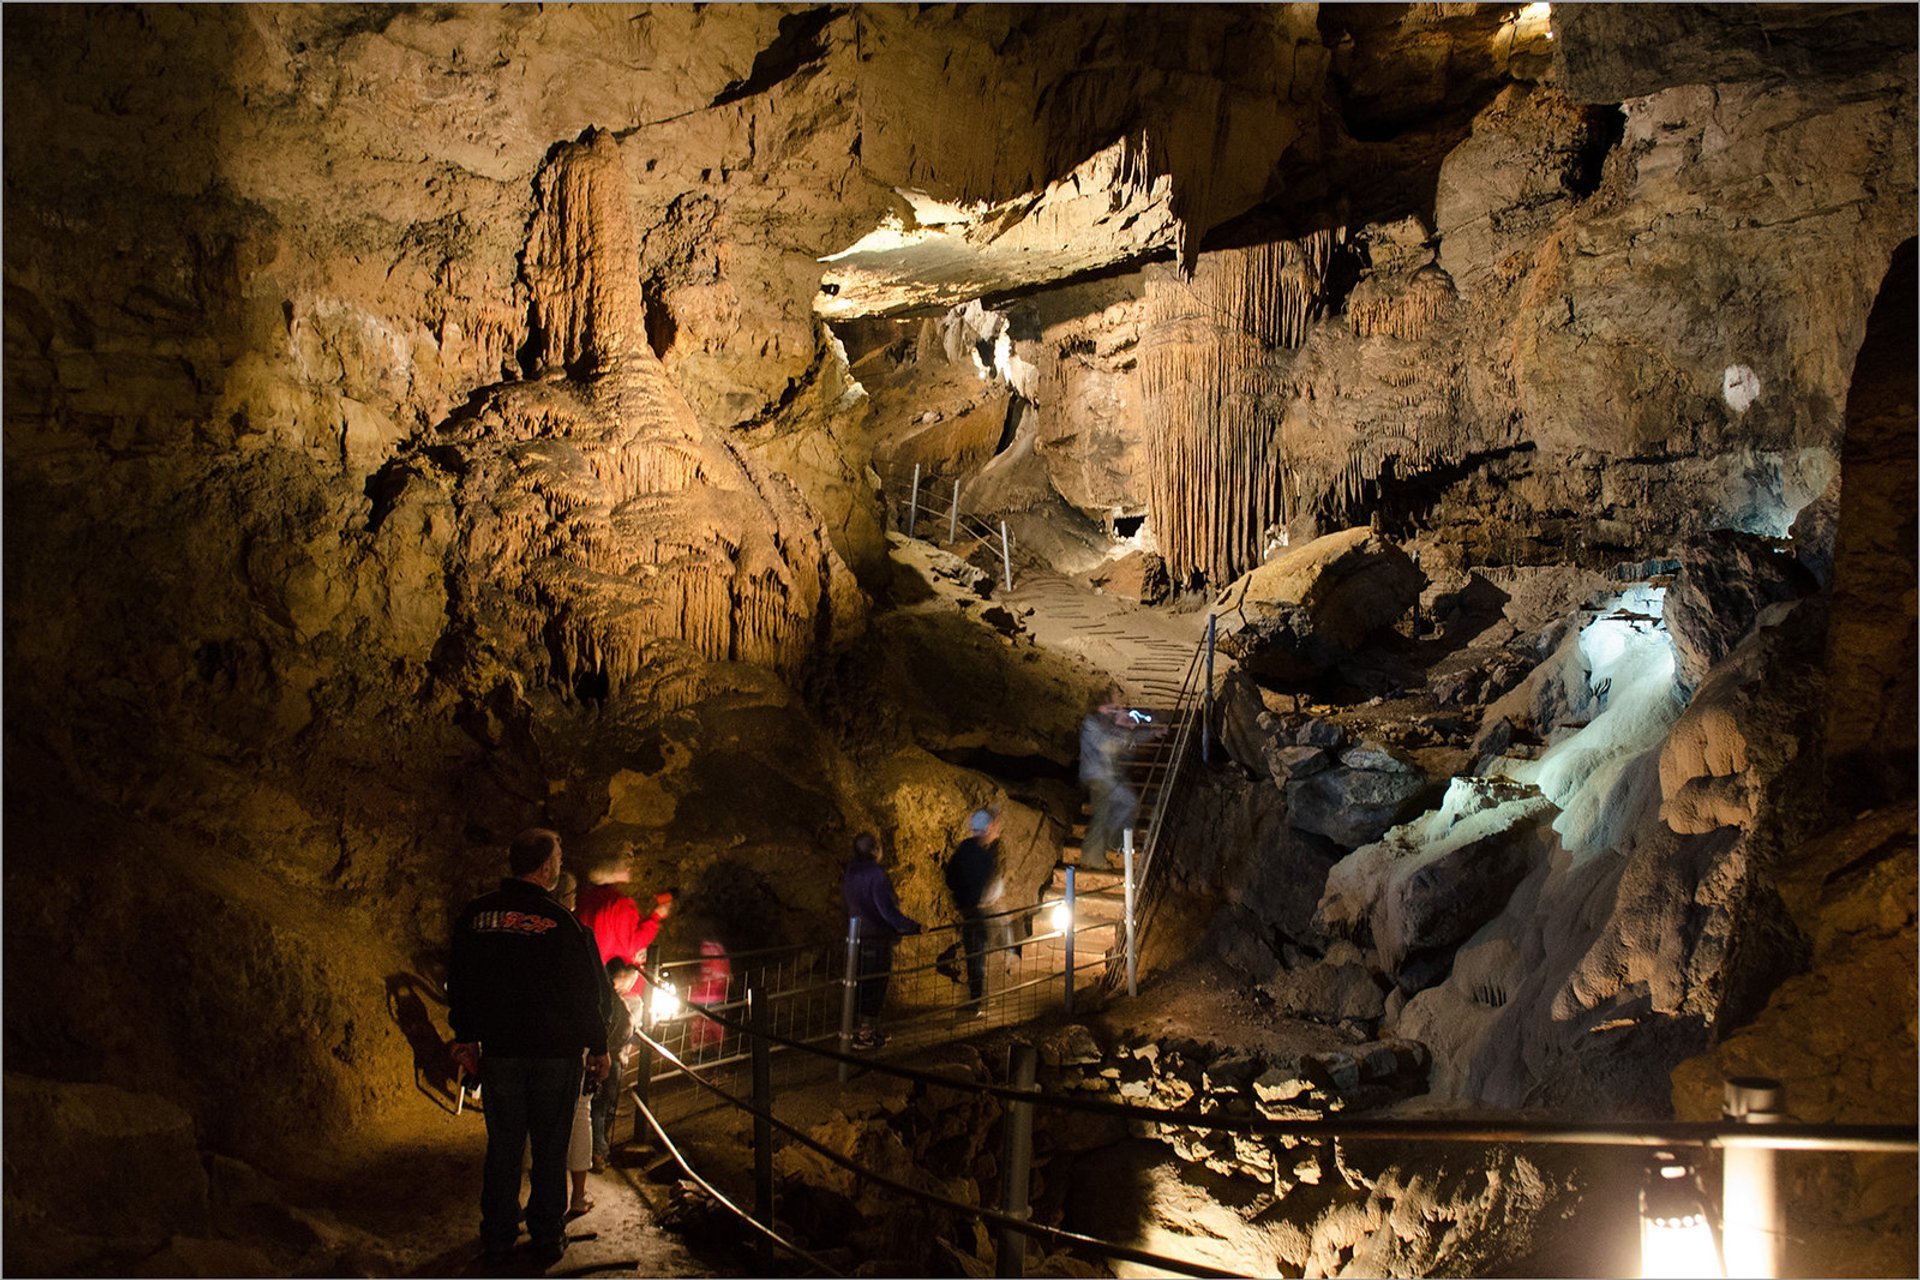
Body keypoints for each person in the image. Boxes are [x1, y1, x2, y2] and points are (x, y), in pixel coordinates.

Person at [449, 828, 610, 1268]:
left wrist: (465, 1037)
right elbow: (590, 993)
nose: (559, 864)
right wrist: (599, 1045)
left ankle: (498, 1235)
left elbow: (460, 982)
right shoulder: (564, 924)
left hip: (499, 1052)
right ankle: (546, 1234)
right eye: (557, 857)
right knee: (549, 1148)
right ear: (545, 867)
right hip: (555, 1055)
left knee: (503, 1147)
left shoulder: (476, 916)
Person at [841, 832, 922, 1050]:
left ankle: (864, 1032)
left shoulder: (851, 871)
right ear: (875, 850)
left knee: (861, 985)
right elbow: (887, 911)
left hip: (858, 936)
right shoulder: (875, 875)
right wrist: (913, 926)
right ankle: (864, 1035)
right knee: (874, 987)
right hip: (876, 938)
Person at [1078, 686, 1154, 871]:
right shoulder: (1092, 722)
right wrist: (1125, 730)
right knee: (1104, 814)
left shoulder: (1105, 722)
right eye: (1113, 701)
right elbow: (1108, 741)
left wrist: (1152, 733)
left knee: (1126, 804)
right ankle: (1093, 856)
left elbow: (1123, 736)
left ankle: (1114, 841)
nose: (1117, 704)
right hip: (1099, 777)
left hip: (1108, 776)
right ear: (1104, 705)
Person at [943, 808, 1001, 1018]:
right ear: (986, 829)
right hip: (975, 910)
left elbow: (950, 877)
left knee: (977, 954)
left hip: (969, 908)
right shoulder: (979, 856)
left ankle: (977, 999)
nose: (998, 829)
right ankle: (975, 1003)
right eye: (994, 825)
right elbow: (976, 884)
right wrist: (979, 900)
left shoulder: (965, 848)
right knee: (976, 956)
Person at [575, 857, 673, 968]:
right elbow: (633, 944)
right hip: (612, 972)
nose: (629, 868)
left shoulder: (585, 898)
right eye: (624, 865)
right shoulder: (618, 903)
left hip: (589, 966)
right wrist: (656, 916)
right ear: (613, 872)